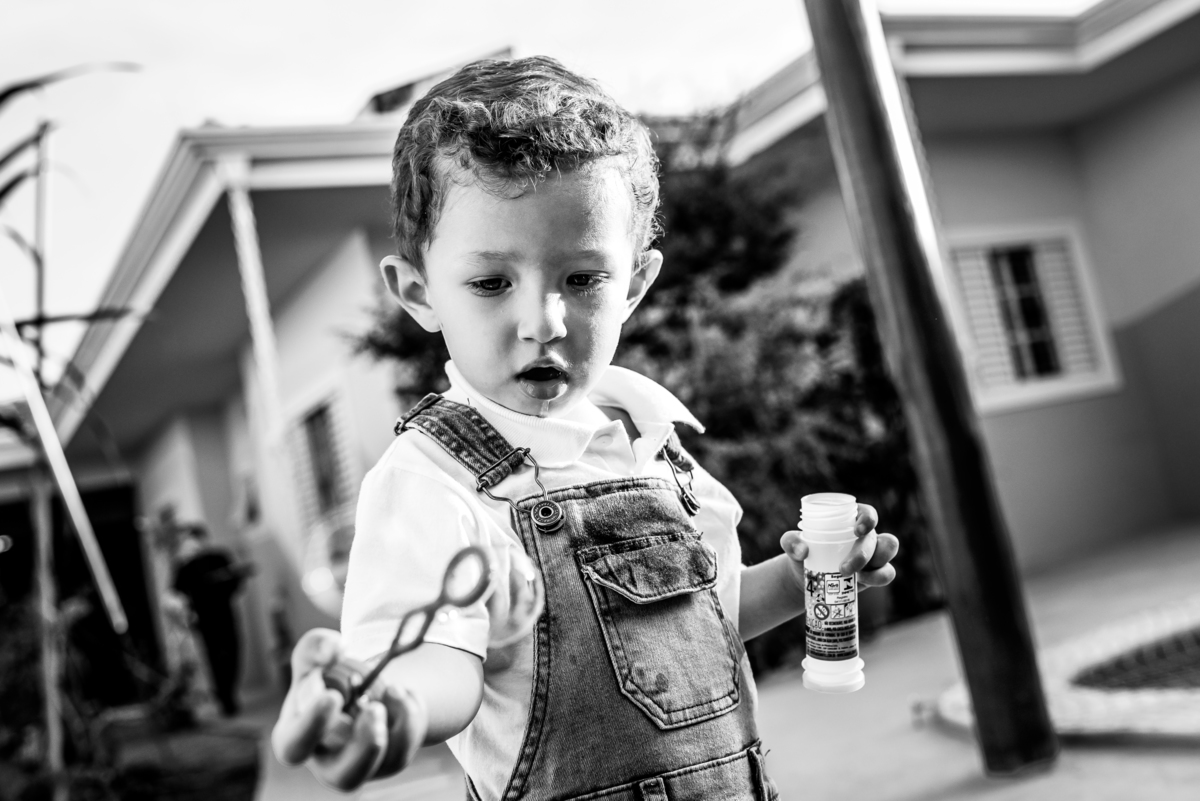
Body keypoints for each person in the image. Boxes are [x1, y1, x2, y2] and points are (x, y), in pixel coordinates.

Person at [272, 56, 899, 798]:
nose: (543, 322)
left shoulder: (652, 439)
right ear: (419, 293)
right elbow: (442, 662)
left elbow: (707, 622)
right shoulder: (430, 483)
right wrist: (390, 702)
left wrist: (801, 581)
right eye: (491, 283)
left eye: (583, 279)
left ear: (634, 283)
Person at [172, 524, 253, 717]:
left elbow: (234, 582)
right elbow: (177, 592)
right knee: (215, 658)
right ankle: (225, 699)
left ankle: (228, 691)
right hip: (204, 617)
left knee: (233, 652)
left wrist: (233, 578)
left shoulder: (219, 557)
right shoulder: (184, 566)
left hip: (225, 613)